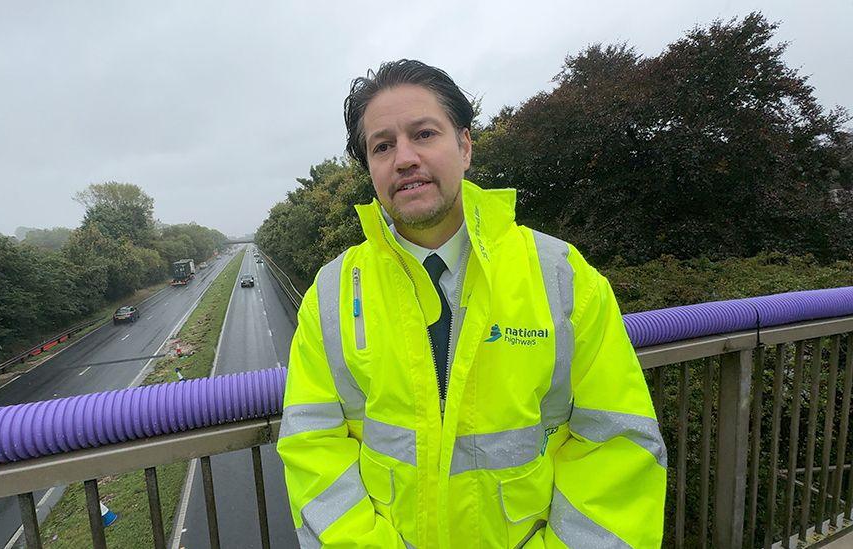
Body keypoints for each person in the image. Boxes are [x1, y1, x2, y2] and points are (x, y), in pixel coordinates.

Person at [276, 59, 666, 548]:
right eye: (382, 146)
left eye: (423, 134)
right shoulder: (331, 292)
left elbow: (618, 447)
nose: (404, 158)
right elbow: (312, 445)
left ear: (464, 146)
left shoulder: (563, 276)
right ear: (370, 168)